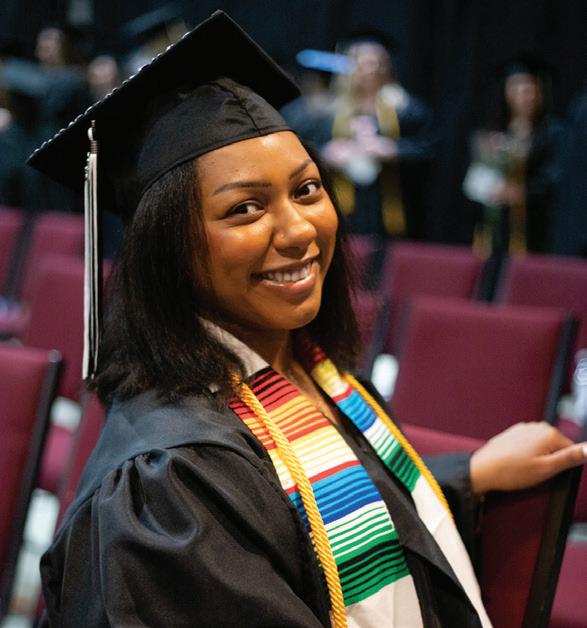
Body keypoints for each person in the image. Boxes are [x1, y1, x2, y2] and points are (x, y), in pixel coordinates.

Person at [29, 12, 586, 627]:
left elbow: (320, 517)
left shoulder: (307, 369)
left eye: (306, 190)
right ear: (168, 250)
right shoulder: (171, 486)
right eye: (245, 209)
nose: (299, 231)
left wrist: (468, 475)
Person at [464, 55, 565, 257]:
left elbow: (557, 177)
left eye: (530, 89)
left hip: (534, 225)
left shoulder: (554, 133)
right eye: (517, 88)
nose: (524, 96)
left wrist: (523, 192)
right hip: (495, 222)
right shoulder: (493, 129)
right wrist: (485, 186)